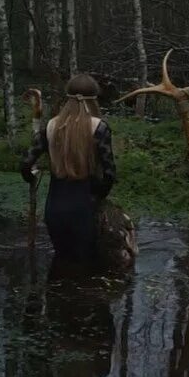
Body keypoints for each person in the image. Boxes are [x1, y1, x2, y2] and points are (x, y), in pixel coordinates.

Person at [21, 74, 116, 264]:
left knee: (61, 263)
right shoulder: (99, 128)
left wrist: (31, 178)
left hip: (54, 206)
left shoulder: (50, 126)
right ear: (94, 99)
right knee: (85, 268)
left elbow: (25, 164)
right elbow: (109, 173)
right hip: (84, 206)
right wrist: (98, 195)